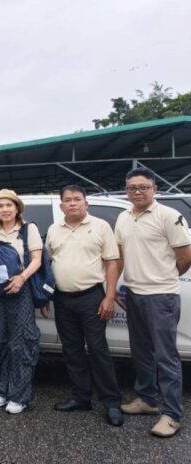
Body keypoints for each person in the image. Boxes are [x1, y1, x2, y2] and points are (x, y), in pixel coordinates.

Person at [115, 168, 191, 438]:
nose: (137, 192)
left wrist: (165, 276)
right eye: (132, 188)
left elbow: (185, 255)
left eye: (143, 187)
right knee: (141, 353)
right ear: (127, 190)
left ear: (154, 189)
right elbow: (120, 255)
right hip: (133, 294)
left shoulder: (169, 216)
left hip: (161, 296)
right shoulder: (123, 217)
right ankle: (146, 399)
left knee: (166, 357)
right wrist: (111, 289)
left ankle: (171, 415)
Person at [45, 185, 123, 426]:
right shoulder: (54, 229)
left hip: (92, 297)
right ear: (61, 206)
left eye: (77, 199)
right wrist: (44, 296)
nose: (72, 203)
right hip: (62, 298)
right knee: (72, 350)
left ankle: (111, 402)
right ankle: (81, 398)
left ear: (85, 203)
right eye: (67, 200)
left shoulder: (100, 226)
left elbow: (112, 263)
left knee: (98, 350)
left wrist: (109, 296)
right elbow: (49, 262)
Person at [0, 189, 42, 414]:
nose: (5, 209)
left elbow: (37, 260)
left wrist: (22, 278)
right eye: (0, 206)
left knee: (21, 343)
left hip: (19, 291)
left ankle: (19, 395)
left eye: (9, 205)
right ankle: (0, 390)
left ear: (17, 208)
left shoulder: (28, 229)